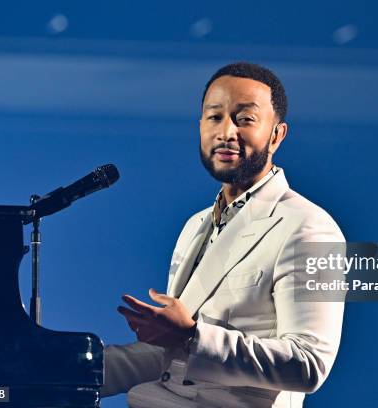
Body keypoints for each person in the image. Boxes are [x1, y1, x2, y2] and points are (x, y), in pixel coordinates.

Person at [102, 62, 345, 408]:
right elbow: (169, 360)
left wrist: (191, 336)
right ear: (200, 127)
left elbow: (308, 364)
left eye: (244, 119)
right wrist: (73, 366)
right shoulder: (196, 225)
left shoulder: (309, 226)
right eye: (215, 117)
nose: (226, 131)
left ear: (276, 134)